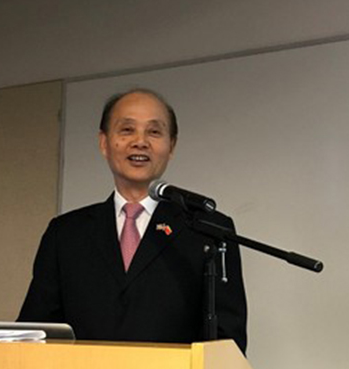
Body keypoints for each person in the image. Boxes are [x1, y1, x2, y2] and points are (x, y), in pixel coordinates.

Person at [17, 89, 247, 353]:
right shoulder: (65, 234)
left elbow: (228, 342)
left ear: (171, 146)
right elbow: (36, 333)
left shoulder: (208, 230)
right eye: (127, 130)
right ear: (104, 143)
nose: (140, 142)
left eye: (154, 132)